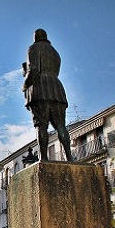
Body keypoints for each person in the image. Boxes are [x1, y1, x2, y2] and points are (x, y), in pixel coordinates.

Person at [22, 28, 73, 161]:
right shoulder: (55, 53)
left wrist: (25, 84)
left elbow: (34, 69)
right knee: (61, 125)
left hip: (40, 89)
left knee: (41, 125)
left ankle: (43, 158)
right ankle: (69, 157)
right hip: (56, 88)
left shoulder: (33, 48)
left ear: (35, 37)